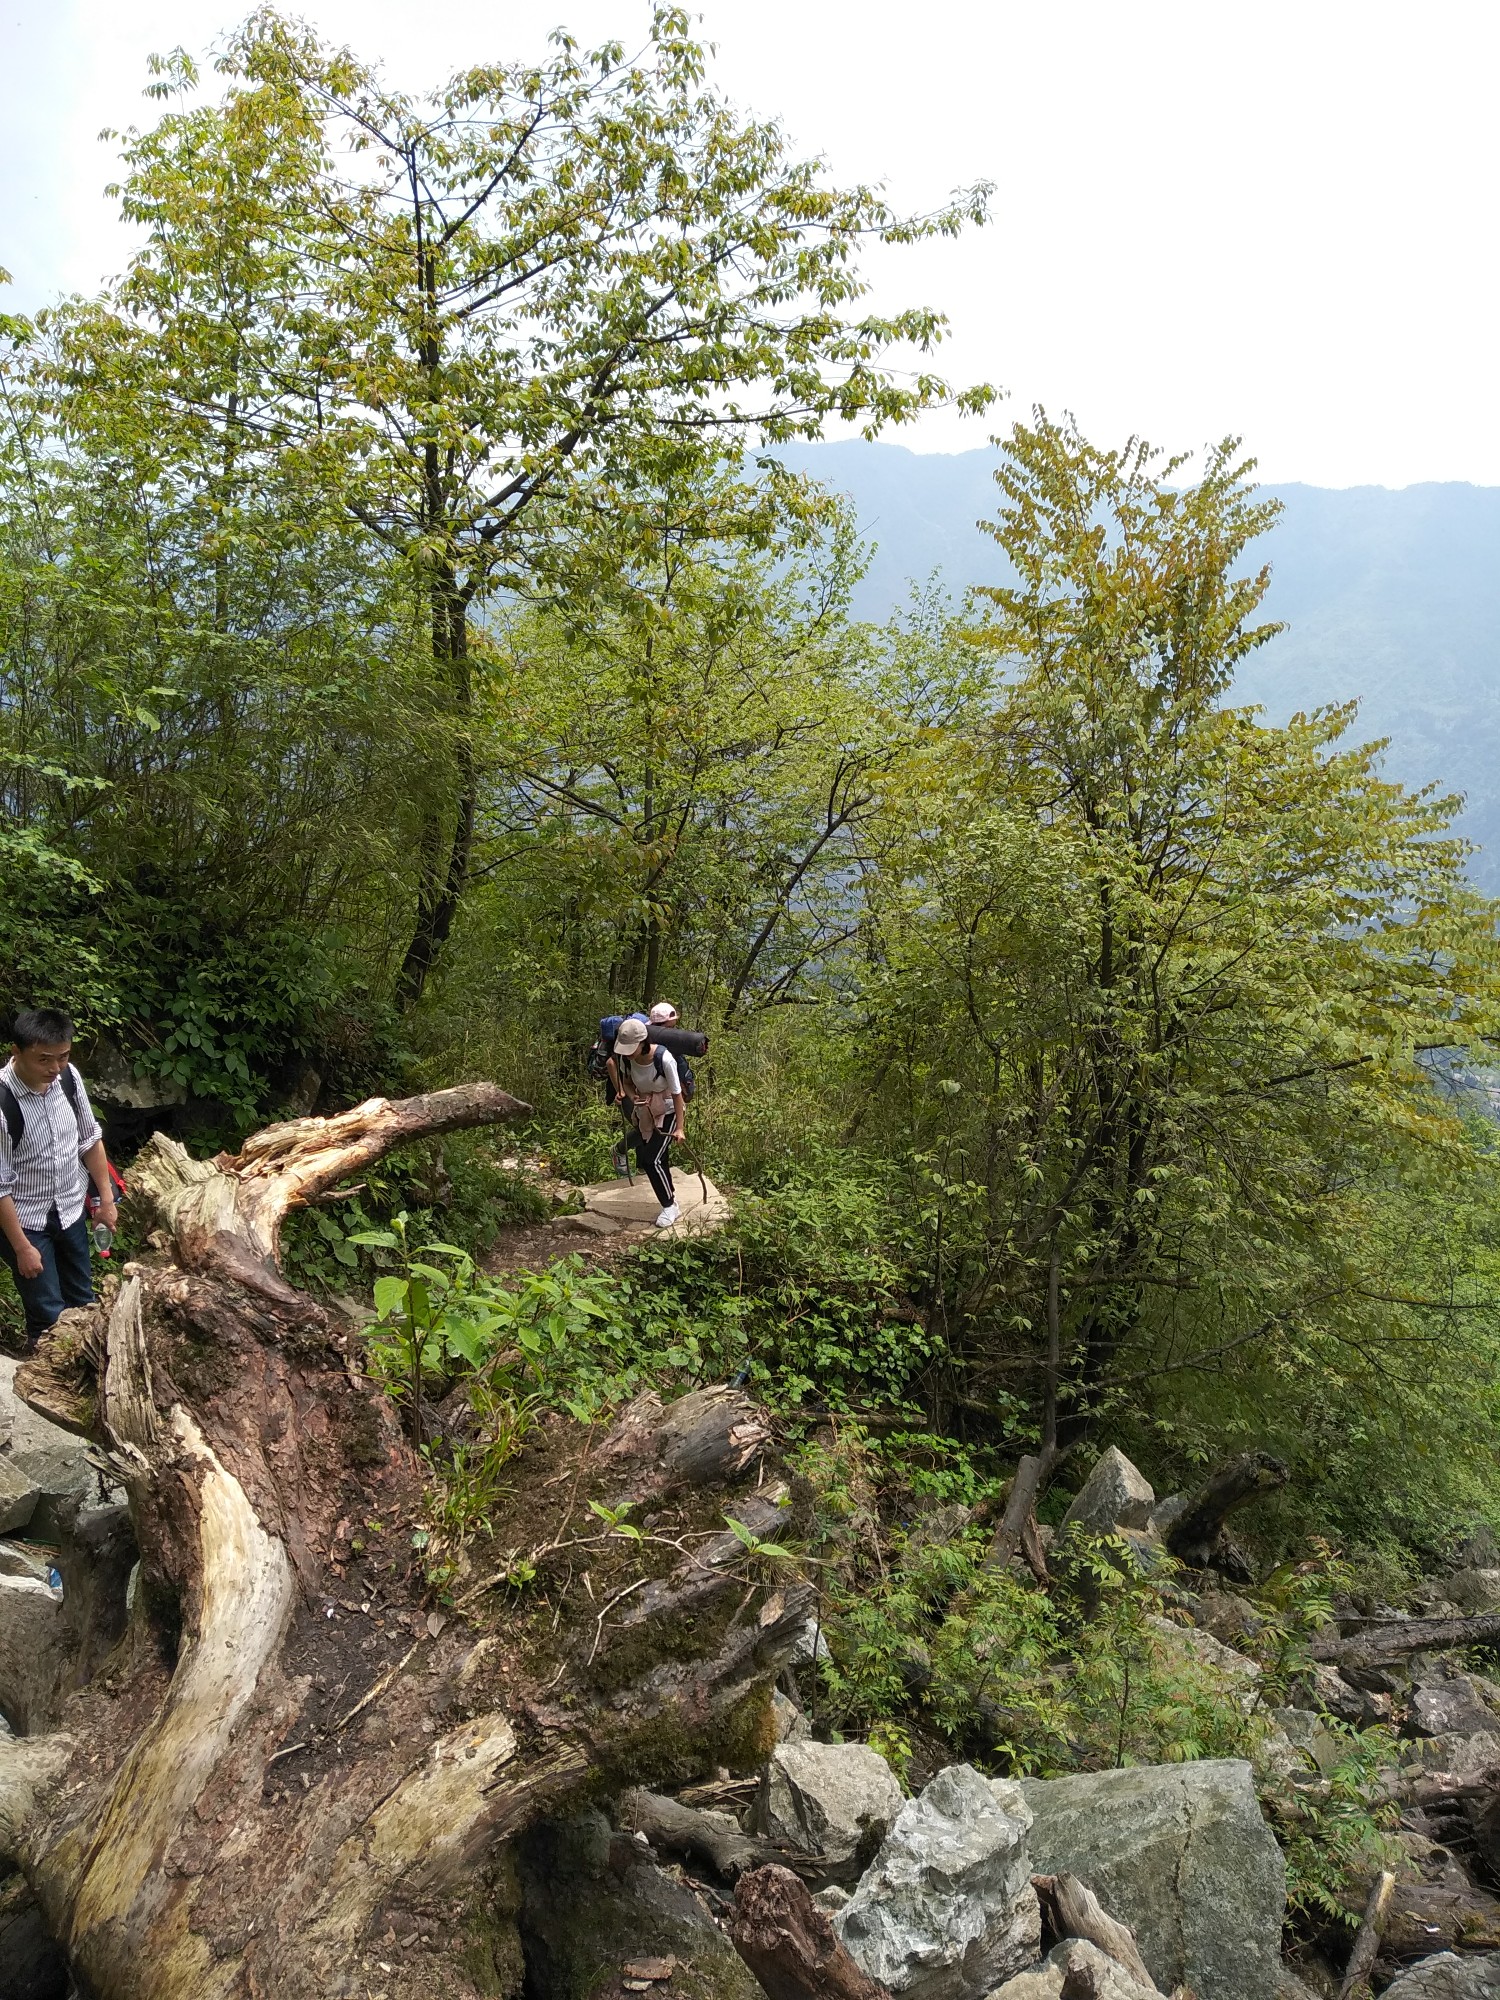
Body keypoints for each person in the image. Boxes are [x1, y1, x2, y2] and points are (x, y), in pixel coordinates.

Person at [0, 1008, 116, 1343]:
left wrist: (105, 1201)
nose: (55, 1067)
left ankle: (87, 1377)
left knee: (83, 1301)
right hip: (26, 1223)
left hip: (69, 1209)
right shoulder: (4, 1104)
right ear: (17, 1052)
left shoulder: (68, 1078)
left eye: (63, 1056)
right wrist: (21, 1247)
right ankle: (45, 1383)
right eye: (44, 1059)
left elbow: (89, 1139)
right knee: (48, 1313)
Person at [609, 1015, 685, 1227]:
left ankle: (669, 1206)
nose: (628, 1053)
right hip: (646, 1112)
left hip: (668, 1109)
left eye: (631, 1048)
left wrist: (680, 1128)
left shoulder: (664, 1059)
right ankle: (671, 1198)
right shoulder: (626, 1059)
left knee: (651, 1159)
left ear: (643, 1043)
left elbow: (677, 1095)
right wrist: (631, 1097)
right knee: (661, 1158)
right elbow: (627, 1083)